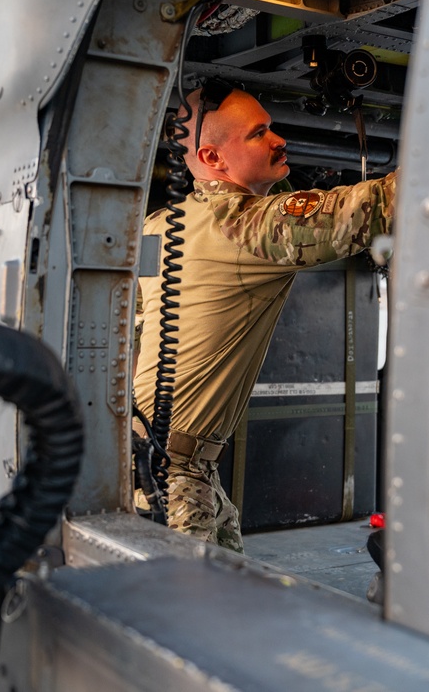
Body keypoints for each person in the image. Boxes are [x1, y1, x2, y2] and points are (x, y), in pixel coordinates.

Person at [132, 82, 396, 553]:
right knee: (193, 618)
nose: (278, 140)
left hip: (164, 461)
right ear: (212, 159)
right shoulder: (244, 226)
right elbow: (375, 207)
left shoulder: (160, 225)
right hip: (172, 477)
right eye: (259, 134)